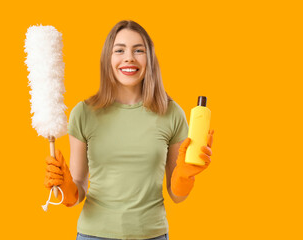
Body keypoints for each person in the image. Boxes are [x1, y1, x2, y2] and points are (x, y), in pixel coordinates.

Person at [44, 20, 214, 240]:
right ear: (108, 58)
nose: (129, 58)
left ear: (149, 59)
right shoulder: (84, 113)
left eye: (138, 50)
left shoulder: (172, 113)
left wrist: (184, 177)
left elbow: (177, 196)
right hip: (94, 235)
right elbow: (77, 192)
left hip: (152, 235)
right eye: (120, 50)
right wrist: (66, 187)